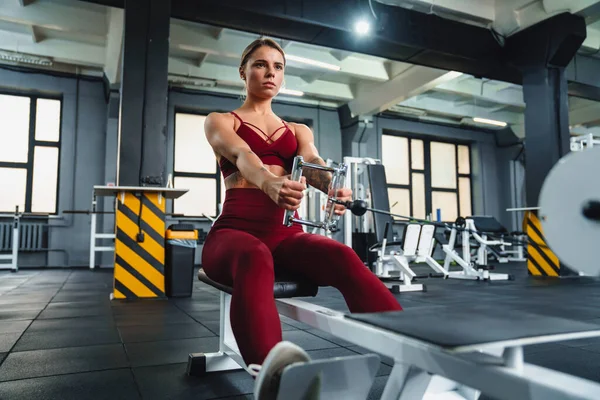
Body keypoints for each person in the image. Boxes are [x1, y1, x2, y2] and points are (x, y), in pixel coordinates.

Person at [201, 37, 403, 399]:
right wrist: (269, 184)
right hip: (232, 236)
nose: (270, 73)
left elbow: (316, 166)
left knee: (340, 254)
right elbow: (245, 157)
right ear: (243, 71)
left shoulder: (298, 131)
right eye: (261, 64)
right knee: (253, 256)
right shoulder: (220, 121)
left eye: (278, 67)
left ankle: (414, 344)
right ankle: (275, 379)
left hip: (283, 236)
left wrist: (334, 189)